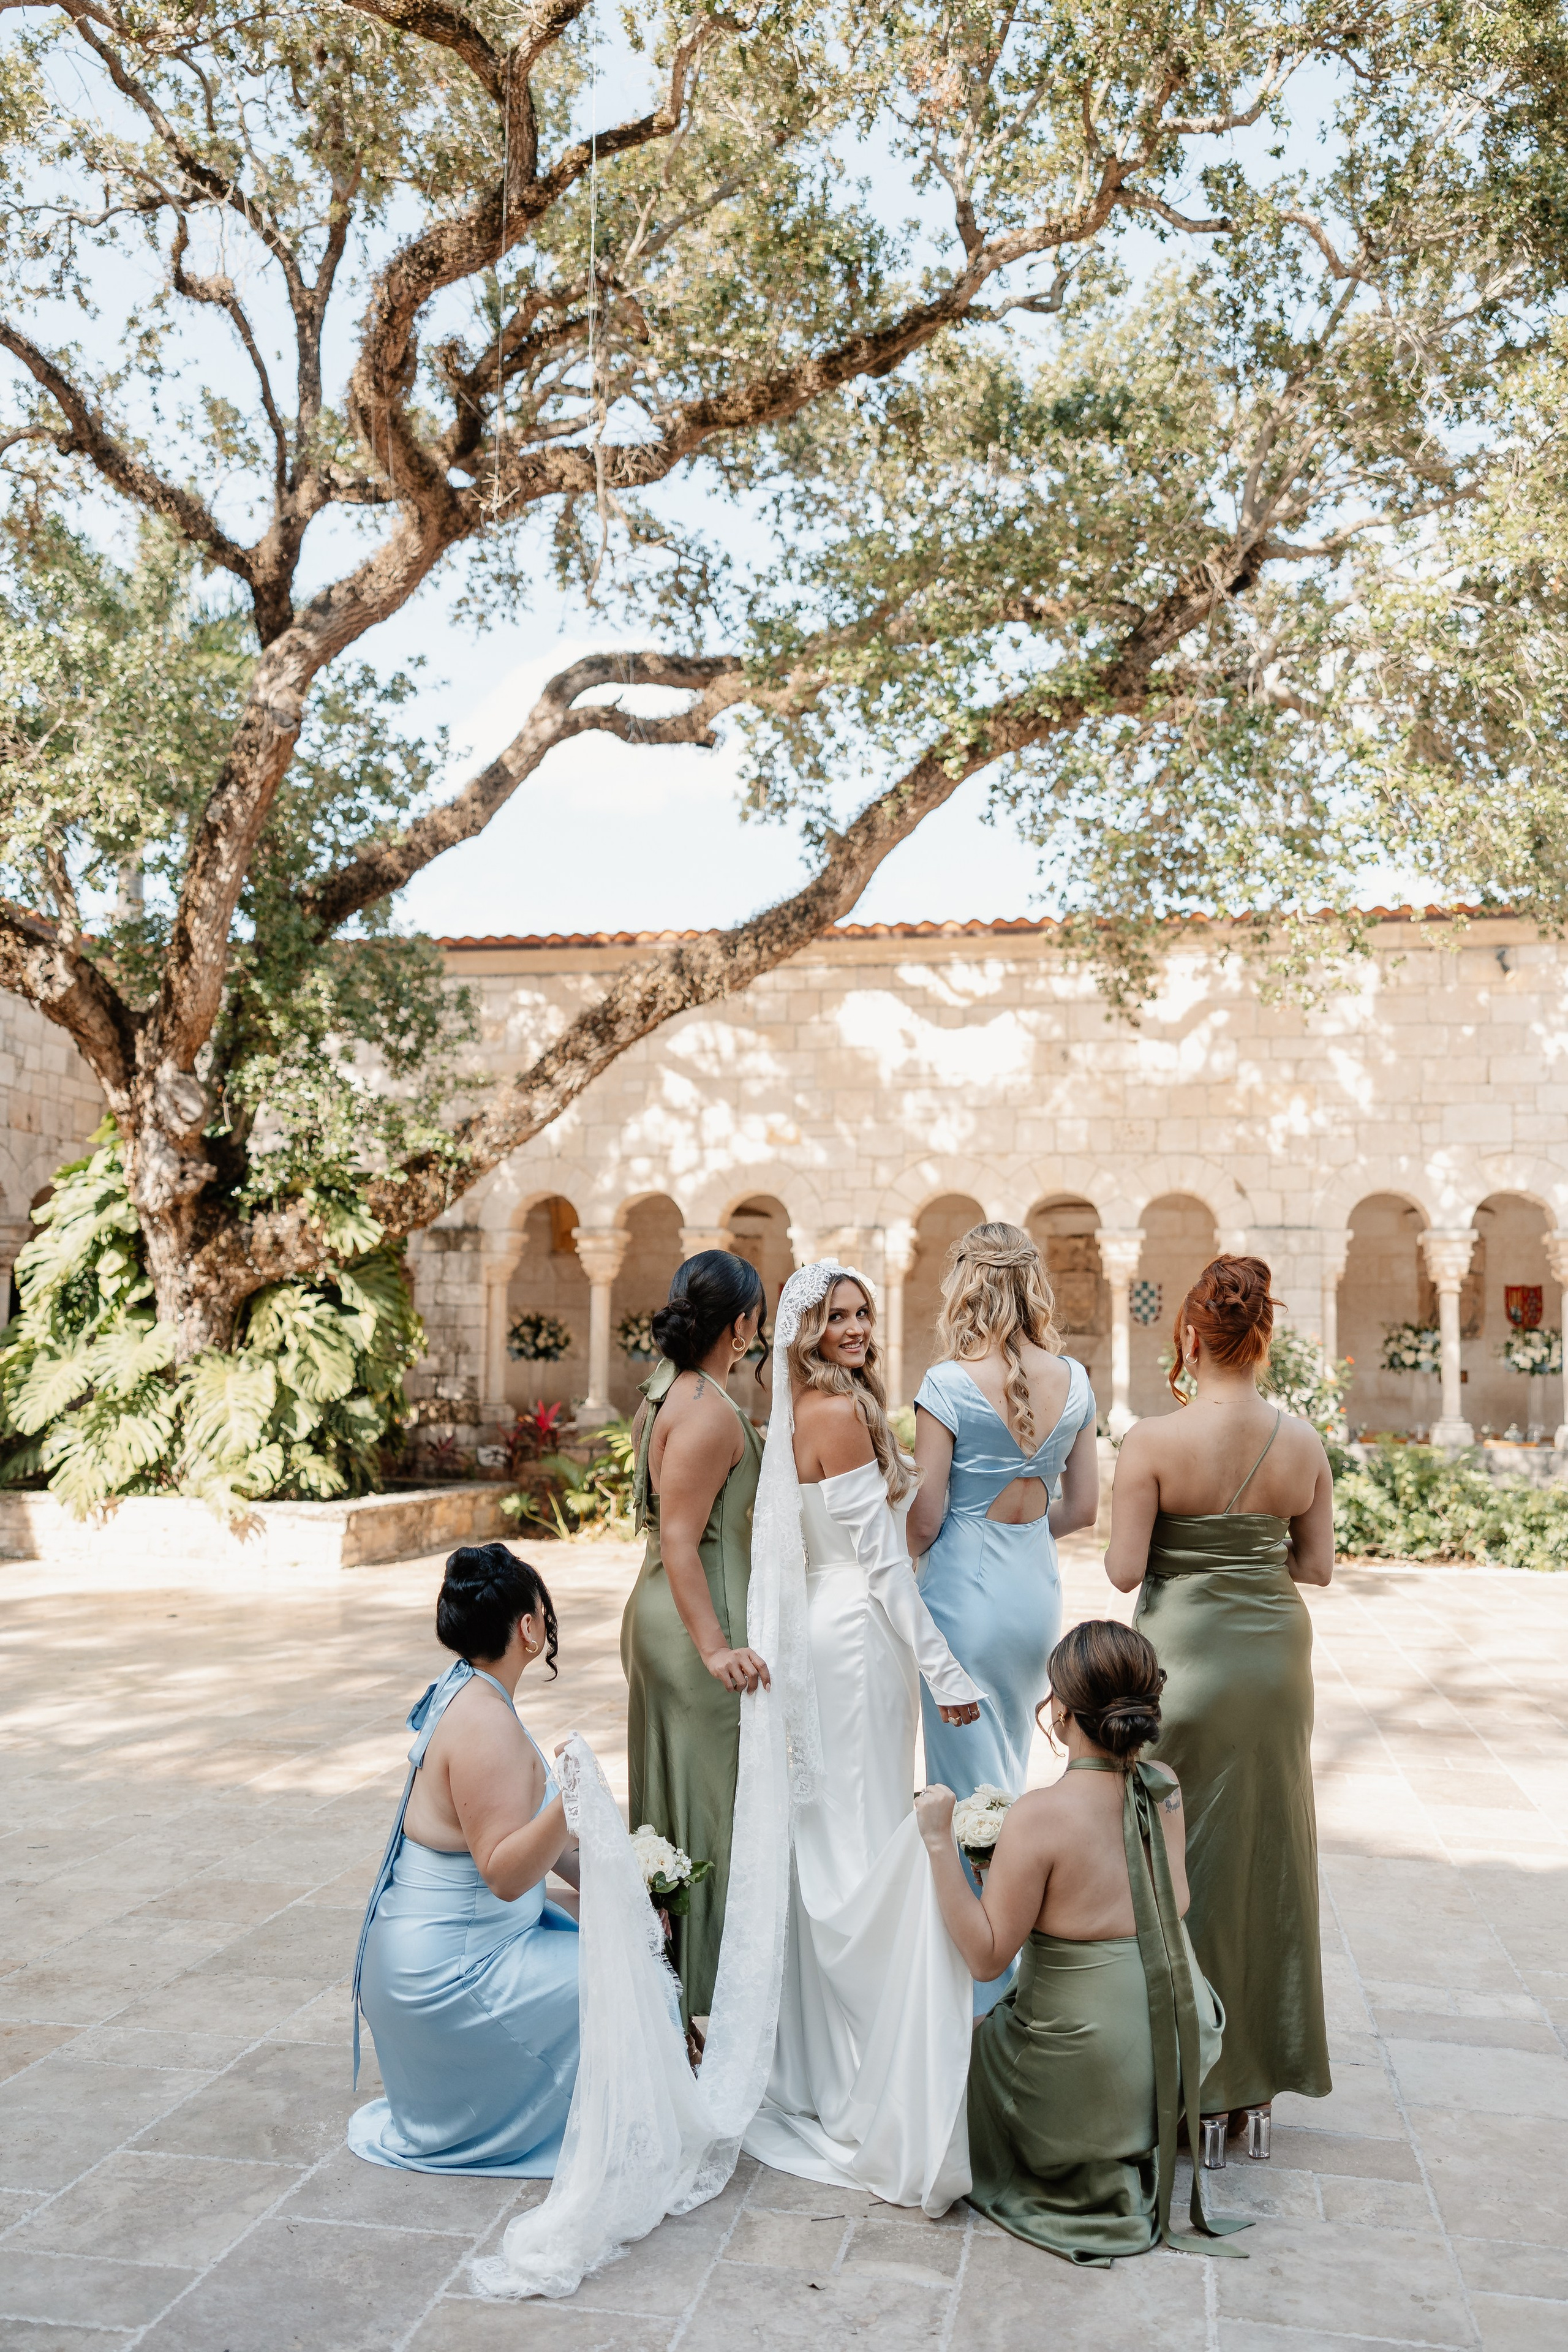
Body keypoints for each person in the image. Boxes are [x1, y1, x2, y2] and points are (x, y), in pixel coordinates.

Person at [740, 1264, 984, 2215]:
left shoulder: (812, 1406)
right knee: (861, 1839)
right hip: (855, 1637)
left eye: (861, 1312)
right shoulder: (837, 1414)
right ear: (804, 1330)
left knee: (842, 1830)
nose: (853, 1327)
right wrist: (946, 1674)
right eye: (834, 1316)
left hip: (829, 1629)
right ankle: (861, 2067)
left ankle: (820, 2064)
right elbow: (883, 1565)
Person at [914, 1619, 1249, 2266]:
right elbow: (1175, 1900)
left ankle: (1068, 2144)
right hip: (1175, 2033)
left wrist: (937, 1841)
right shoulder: (1163, 1785)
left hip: (1086, 2055)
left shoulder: (1040, 1814)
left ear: (1061, 1712)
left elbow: (985, 1956)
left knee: (961, 2052)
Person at [1104, 1254, 1334, 2163]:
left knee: (1176, 1861)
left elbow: (1123, 1570)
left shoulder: (1152, 1442)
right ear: (1262, 1340)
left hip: (1182, 1667)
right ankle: (1257, 2086)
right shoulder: (1303, 1442)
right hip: (1275, 1666)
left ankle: (1186, 2081)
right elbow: (1316, 1567)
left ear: (1191, 1339)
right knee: (1269, 1859)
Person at [907, 1222, 1099, 2011]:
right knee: (1006, 1778)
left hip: (962, 1596)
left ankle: (976, 1991)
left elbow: (924, 1519)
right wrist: (1018, 1537)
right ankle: (1004, 1964)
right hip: (1033, 1599)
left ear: (967, 1284)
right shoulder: (1075, 1380)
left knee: (961, 1790)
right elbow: (1082, 1509)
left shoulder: (947, 1384)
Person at [349, 1545, 581, 2176]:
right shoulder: (485, 1725)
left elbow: (547, 1849)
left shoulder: (471, 1692)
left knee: (618, 1936)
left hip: (446, 1947)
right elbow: (505, 1875)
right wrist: (575, 1795)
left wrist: (633, 1889)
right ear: (528, 1628)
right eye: (543, 1612)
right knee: (624, 1975)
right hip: (448, 1977)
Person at [622, 1248, 768, 2030]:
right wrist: (715, 1648)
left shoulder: (668, 1390)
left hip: (662, 1612)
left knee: (674, 1809)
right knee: (710, 1814)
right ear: (741, 1324)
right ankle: (706, 2004)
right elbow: (682, 1539)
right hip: (695, 1625)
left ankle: (672, 1998)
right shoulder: (707, 1410)